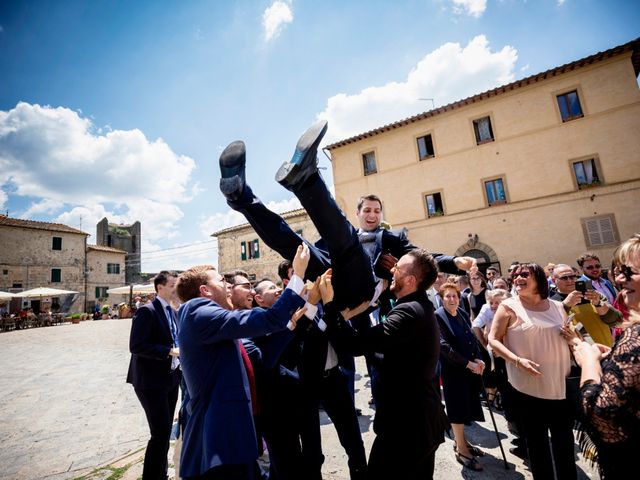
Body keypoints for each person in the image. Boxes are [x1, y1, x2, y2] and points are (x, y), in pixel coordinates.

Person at [218, 119, 477, 312]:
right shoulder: (341, 229)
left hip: (360, 292)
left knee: (347, 243)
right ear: (359, 213)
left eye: (377, 211)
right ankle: (241, 197)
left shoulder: (392, 239)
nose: (373, 215)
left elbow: (424, 258)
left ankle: (306, 181)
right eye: (368, 210)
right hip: (331, 274)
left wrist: (454, 262)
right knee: (297, 247)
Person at [176, 244, 311, 480]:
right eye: (221, 282)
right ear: (205, 290)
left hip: (233, 436)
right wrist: (297, 275)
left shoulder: (213, 320)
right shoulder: (198, 310)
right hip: (219, 437)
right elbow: (269, 318)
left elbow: (258, 357)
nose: (229, 287)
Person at [320, 249, 448, 480]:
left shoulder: (408, 312)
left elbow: (355, 345)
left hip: (406, 430)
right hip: (421, 422)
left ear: (410, 281)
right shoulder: (417, 303)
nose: (392, 269)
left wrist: (329, 304)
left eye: (397, 268)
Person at [561, 234, 640, 479]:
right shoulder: (556, 302)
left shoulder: (602, 293)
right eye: (617, 271)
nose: (618, 278)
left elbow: (601, 415)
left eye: (628, 272)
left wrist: (591, 362)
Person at [488, 263, 576, 480]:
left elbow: (572, 338)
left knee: (565, 446)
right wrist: (517, 360)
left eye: (524, 274)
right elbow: (493, 339)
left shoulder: (557, 307)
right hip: (528, 389)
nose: (517, 278)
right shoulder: (509, 306)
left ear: (539, 279)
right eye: (515, 275)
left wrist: (576, 341)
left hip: (560, 386)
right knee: (538, 449)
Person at [126, 270, 181, 480]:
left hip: (171, 377)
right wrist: (168, 351)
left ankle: (161, 473)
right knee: (159, 433)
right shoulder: (147, 311)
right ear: (160, 287)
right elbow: (136, 345)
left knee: (166, 432)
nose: (176, 289)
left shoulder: (173, 312)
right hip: (149, 381)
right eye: (173, 285)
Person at [435, 282, 485, 471]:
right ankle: (462, 451)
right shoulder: (438, 317)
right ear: (441, 298)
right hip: (452, 371)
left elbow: (472, 338)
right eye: (447, 296)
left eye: (454, 296)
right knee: (457, 409)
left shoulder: (462, 313)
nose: (452, 299)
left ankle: (461, 442)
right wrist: (468, 363)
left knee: (466, 407)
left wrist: (479, 359)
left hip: (469, 370)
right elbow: (444, 347)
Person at [552, 263, 621, 346]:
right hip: (583, 353)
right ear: (554, 280)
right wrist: (565, 306)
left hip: (607, 347)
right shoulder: (552, 303)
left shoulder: (593, 295)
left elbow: (616, 321)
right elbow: (554, 331)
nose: (570, 280)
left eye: (572, 277)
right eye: (564, 278)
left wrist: (598, 303)